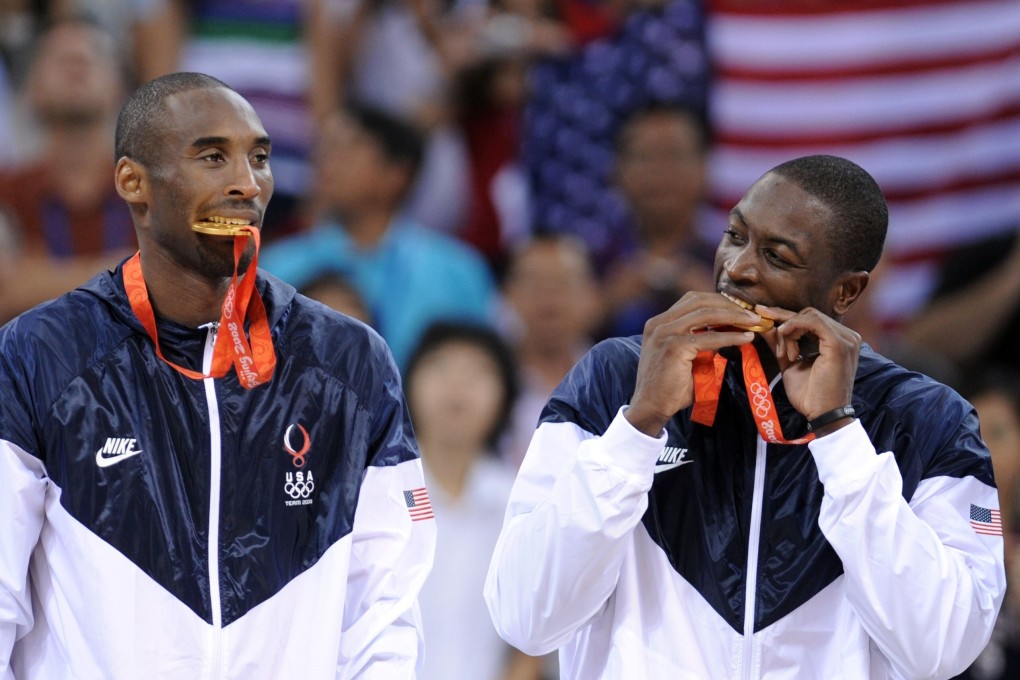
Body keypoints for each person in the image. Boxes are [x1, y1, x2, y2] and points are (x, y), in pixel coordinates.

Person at [484, 154, 1005, 678]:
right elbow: (525, 618)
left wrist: (838, 434)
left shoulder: (926, 416)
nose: (737, 268)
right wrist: (637, 427)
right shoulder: (614, 379)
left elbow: (941, 647)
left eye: (777, 257)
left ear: (846, 290)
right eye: (735, 235)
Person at [0, 72, 436, 678]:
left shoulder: (348, 361)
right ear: (133, 182)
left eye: (259, 157)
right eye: (212, 156)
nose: (246, 183)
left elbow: (383, 612)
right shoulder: (40, 354)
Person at [260, 102, 496, 371]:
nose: (325, 163)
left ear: (397, 173)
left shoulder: (458, 271)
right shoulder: (277, 268)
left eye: (347, 149)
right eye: (324, 149)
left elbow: (484, 367)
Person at [404, 321, 545, 680]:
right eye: (440, 366)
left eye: (477, 372)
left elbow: (534, 636)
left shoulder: (520, 504)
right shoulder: (377, 496)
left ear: (505, 397)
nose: (457, 387)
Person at [0, 16, 135, 324]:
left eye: (95, 54)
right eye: (59, 57)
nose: (78, 60)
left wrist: (39, 278)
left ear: (120, 88)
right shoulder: (6, 190)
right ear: (32, 89)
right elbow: (5, 291)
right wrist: (122, 274)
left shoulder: (155, 192)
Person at [601, 102, 716, 338]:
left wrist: (720, 308)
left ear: (705, 167)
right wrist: (602, 307)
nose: (660, 170)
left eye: (674, 155)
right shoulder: (592, 265)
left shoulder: (734, 265)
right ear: (617, 170)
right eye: (645, 156)